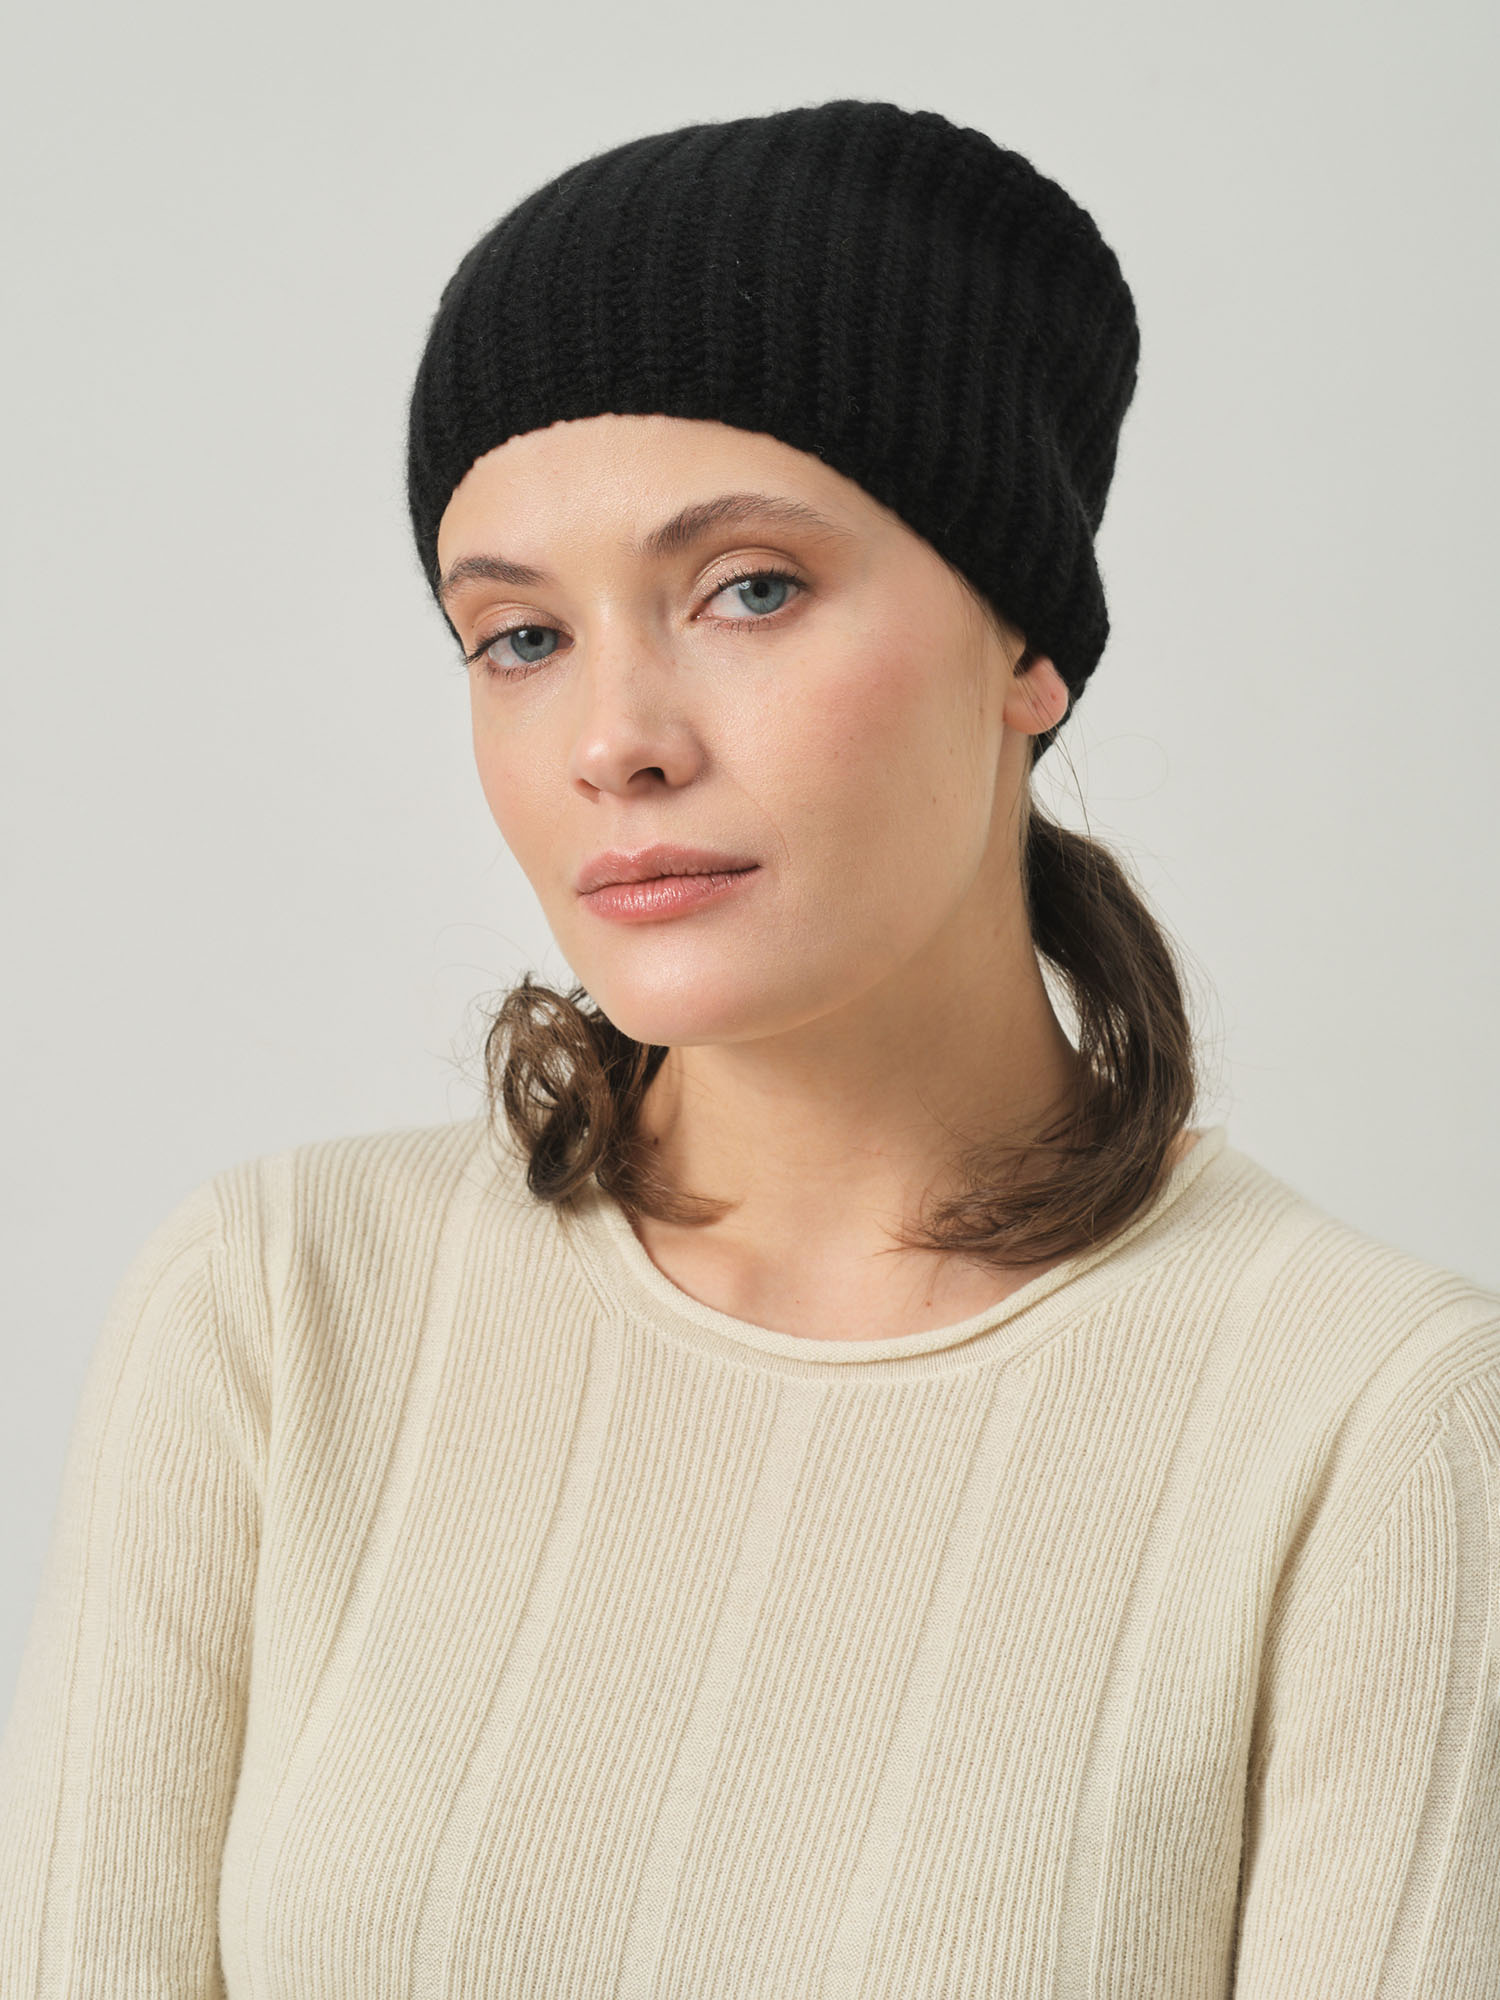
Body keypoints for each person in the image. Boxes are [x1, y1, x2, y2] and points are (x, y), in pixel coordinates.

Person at [0, 97, 1495, 1998]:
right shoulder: (281, 1309)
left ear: (1025, 644)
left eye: (751, 590)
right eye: (518, 637)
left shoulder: (1378, 1419)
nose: (613, 740)